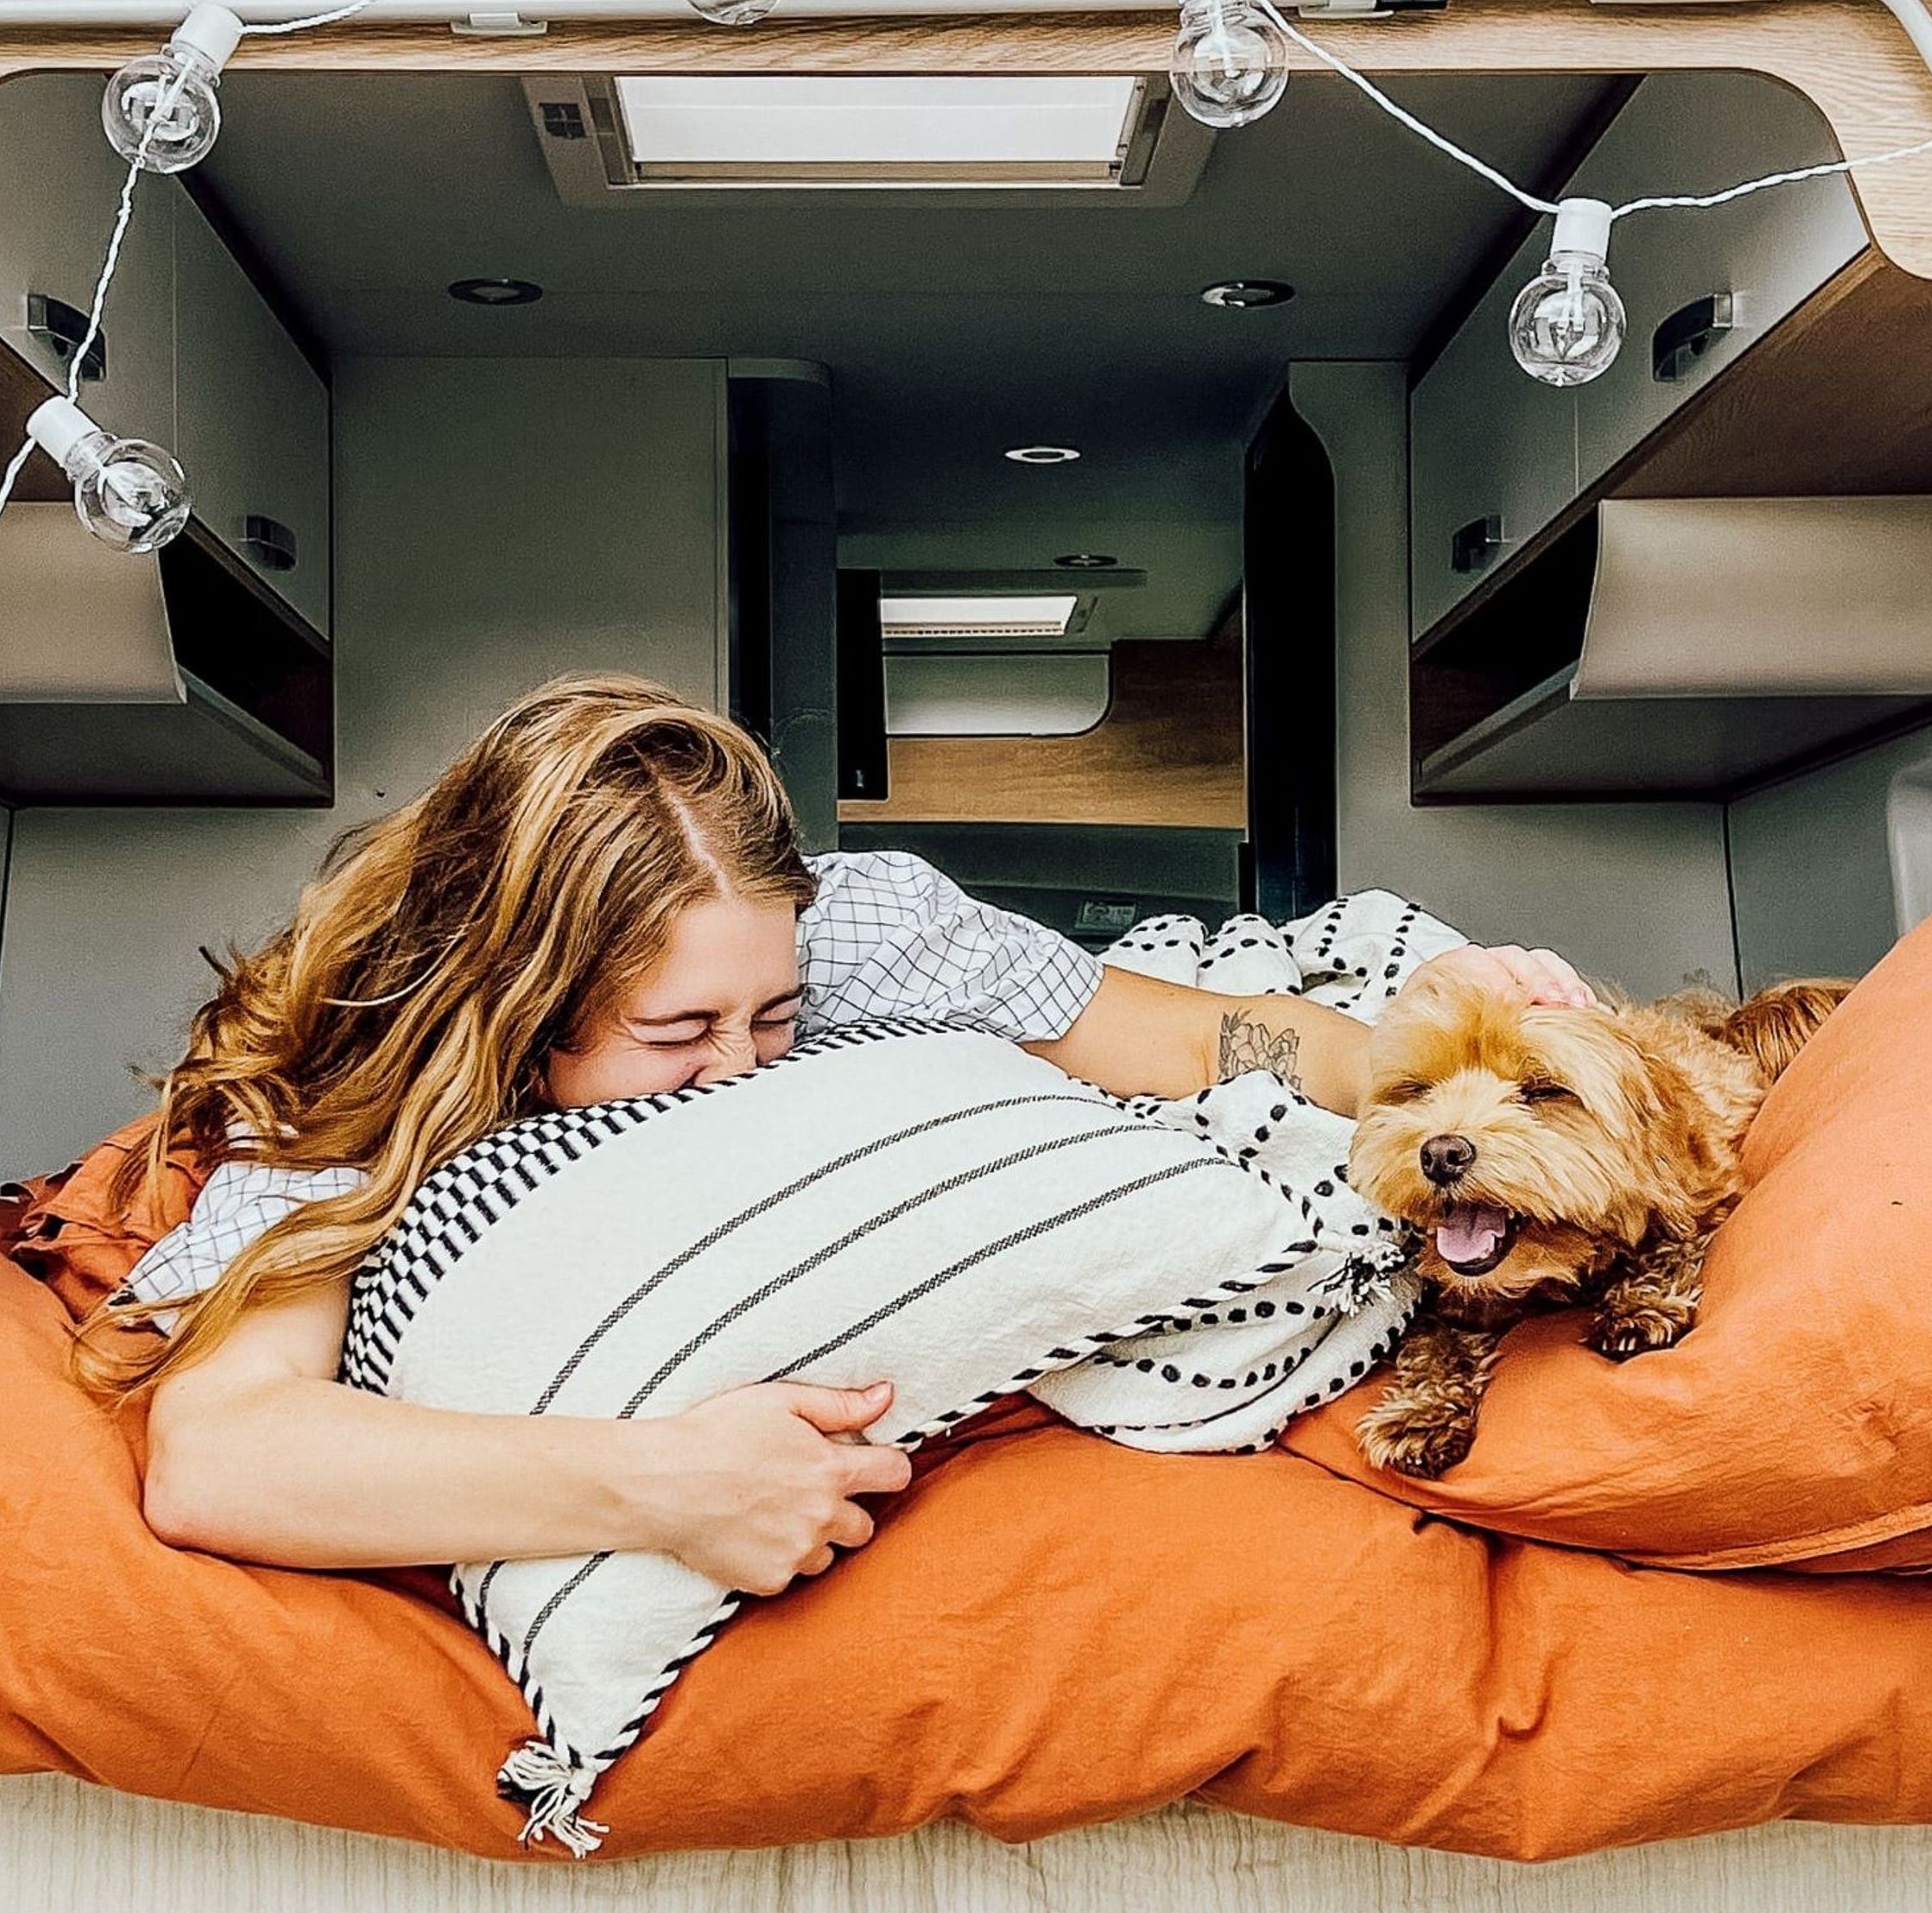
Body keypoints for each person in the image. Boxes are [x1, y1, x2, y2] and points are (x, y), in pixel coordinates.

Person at [99, 673, 1590, 1599]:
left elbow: (1209, 1035)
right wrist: (664, 1483)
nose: (743, 1068)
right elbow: (222, 1456)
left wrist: (1406, 1037)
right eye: (678, 1036)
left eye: (775, 1015)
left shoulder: (867, 923)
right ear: (518, 1004)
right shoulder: (383, 1062)